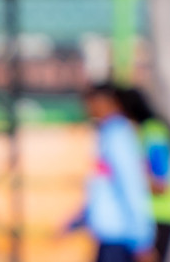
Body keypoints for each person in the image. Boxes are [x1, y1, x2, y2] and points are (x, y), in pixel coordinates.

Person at [64, 82, 156, 262]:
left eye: (90, 102)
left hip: (120, 237)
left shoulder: (119, 136)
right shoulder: (106, 134)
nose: (87, 108)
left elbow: (132, 186)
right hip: (110, 236)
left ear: (106, 102)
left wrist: (142, 240)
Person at [117, 86, 170, 262]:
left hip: (159, 214)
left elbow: (160, 183)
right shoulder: (145, 131)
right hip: (155, 214)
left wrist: (128, 181)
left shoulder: (153, 132)